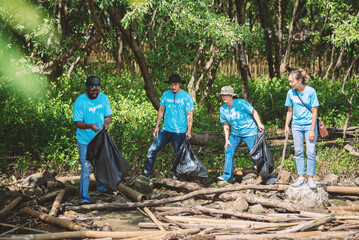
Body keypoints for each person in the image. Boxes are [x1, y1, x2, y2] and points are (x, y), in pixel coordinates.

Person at [217, 86, 275, 184]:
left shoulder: (240, 103)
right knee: (228, 150)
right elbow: (225, 125)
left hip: (250, 132)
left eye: (226, 95)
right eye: (223, 95)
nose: (224, 97)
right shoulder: (222, 109)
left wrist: (259, 124)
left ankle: (268, 177)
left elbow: (254, 112)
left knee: (258, 154)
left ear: (231, 96)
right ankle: (227, 177)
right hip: (236, 134)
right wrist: (227, 139)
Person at [143, 74, 194, 179]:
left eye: (175, 84)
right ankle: (146, 174)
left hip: (179, 132)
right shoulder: (166, 95)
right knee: (152, 150)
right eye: (171, 84)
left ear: (180, 84)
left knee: (178, 155)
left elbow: (190, 115)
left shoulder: (186, 97)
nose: (173, 87)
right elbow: (161, 111)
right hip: (165, 130)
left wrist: (189, 131)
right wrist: (157, 126)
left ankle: (177, 178)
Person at [73, 76, 113, 204]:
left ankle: (101, 187)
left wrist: (106, 124)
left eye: (97, 90)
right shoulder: (80, 102)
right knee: (86, 168)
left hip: (99, 138)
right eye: (92, 90)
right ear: (87, 88)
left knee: (100, 163)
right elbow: (77, 123)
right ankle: (84, 197)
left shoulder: (103, 98)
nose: (95, 93)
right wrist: (90, 126)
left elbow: (108, 115)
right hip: (85, 140)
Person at [284, 69, 319, 190]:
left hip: (310, 124)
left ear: (299, 80)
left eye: (291, 81)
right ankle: (301, 177)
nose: (290, 84)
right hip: (296, 126)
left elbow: (315, 112)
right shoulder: (290, 93)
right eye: (289, 81)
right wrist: (286, 125)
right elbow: (290, 111)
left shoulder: (311, 91)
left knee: (310, 152)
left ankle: (310, 178)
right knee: (298, 151)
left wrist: (311, 130)